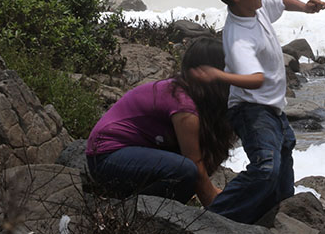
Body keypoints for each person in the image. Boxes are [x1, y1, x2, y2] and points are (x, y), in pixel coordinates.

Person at [200, 0, 325, 224]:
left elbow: (280, 0)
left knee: (282, 160)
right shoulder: (239, 39)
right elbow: (255, 79)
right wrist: (220, 74)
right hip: (251, 110)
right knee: (265, 167)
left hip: (272, 107)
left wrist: (305, 7)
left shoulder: (256, 7)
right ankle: (212, 218)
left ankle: (276, 216)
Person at [85, 36, 235, 207]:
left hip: (122, 154)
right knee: (186, 171)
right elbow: (195, 165)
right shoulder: (184, 106)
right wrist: (220, 210)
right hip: (106, 156)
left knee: (190, 167)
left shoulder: (186, 92)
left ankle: (136, 206)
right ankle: (131, 211)